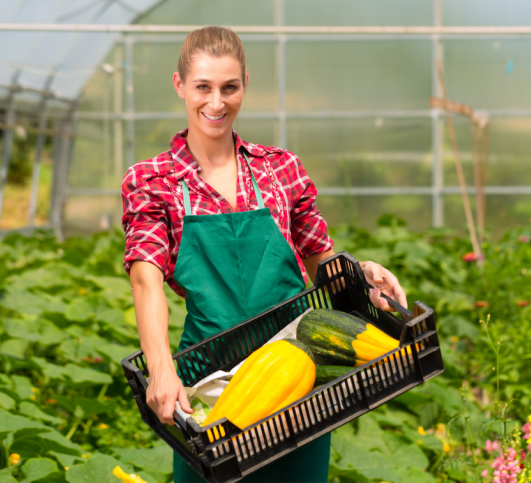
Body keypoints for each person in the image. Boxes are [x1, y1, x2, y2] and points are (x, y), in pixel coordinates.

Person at [122, 26, 408, 483]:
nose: (216, 103)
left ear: (245, 85)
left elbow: (320, 258)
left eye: (229, 88)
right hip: (211, 373)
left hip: (296, 367)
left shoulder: (281, 168)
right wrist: (159, 369)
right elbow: (146, 277)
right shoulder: (153, 179)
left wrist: (363, 273)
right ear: (179, 85)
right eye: (203, 87)